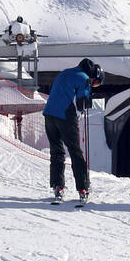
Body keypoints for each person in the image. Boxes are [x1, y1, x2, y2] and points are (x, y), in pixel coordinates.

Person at [43, 57, 102, 201]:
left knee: (56, 151)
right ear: (93, 76)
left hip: (49, 114)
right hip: (65, 115)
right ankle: (83, 188)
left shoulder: (65, 72)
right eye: (96, 83)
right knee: (75, 152)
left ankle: (58, 187)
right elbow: (83, 102)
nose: (94, 85)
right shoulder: (84, 78)